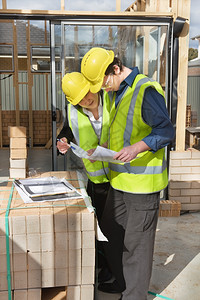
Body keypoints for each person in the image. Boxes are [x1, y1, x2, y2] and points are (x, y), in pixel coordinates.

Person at [81, 47, 175, 300]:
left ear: (115, 68)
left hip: (142, 186)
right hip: (120, 181)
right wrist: (100, 150)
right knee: (112, 232)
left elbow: (166, 132)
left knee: (138, 246)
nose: (100, 87)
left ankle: (134, 296)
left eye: (101, 81)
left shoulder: (146, 90)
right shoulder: (115, 92)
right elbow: (120, 131)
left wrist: (137, 148)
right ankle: (122, 283)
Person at [57, 71, 112, 283]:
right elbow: (67, 130)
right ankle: (106, 264)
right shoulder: (74, 110)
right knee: (103, 224)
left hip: (122, 174)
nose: (86, 99)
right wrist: (62, 140)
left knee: (116, 225)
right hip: (98, 178)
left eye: (87, 92)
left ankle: (115, 267)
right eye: (80, 98)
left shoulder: (111, 99)